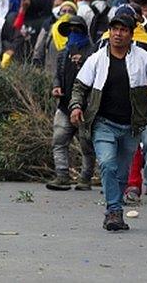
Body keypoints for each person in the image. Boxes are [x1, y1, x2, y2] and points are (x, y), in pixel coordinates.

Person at [69, 12, 147, 232]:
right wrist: (76, 106)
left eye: (123, 30)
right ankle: (113, 211)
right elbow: (80, 86)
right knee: (107, 164)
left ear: (131, 33)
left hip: (131, 126)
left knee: (122, 173)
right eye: (114, 29)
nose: (118, 34)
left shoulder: (142, 58)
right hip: (103, 123)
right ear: (109, 31)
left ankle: (115, 209)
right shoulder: (97, 58)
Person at [46, 15, 96, 191]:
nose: (73, 34)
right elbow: (57, 75)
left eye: (77, 30)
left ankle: (85, 178)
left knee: (86, 145)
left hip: (86, 107)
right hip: (65, 105)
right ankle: (62, 176)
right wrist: (57, 86)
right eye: (71, 31)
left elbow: (96, 78)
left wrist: (81, 63)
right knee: (59, 141)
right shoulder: (64, 52)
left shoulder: (93, 53)